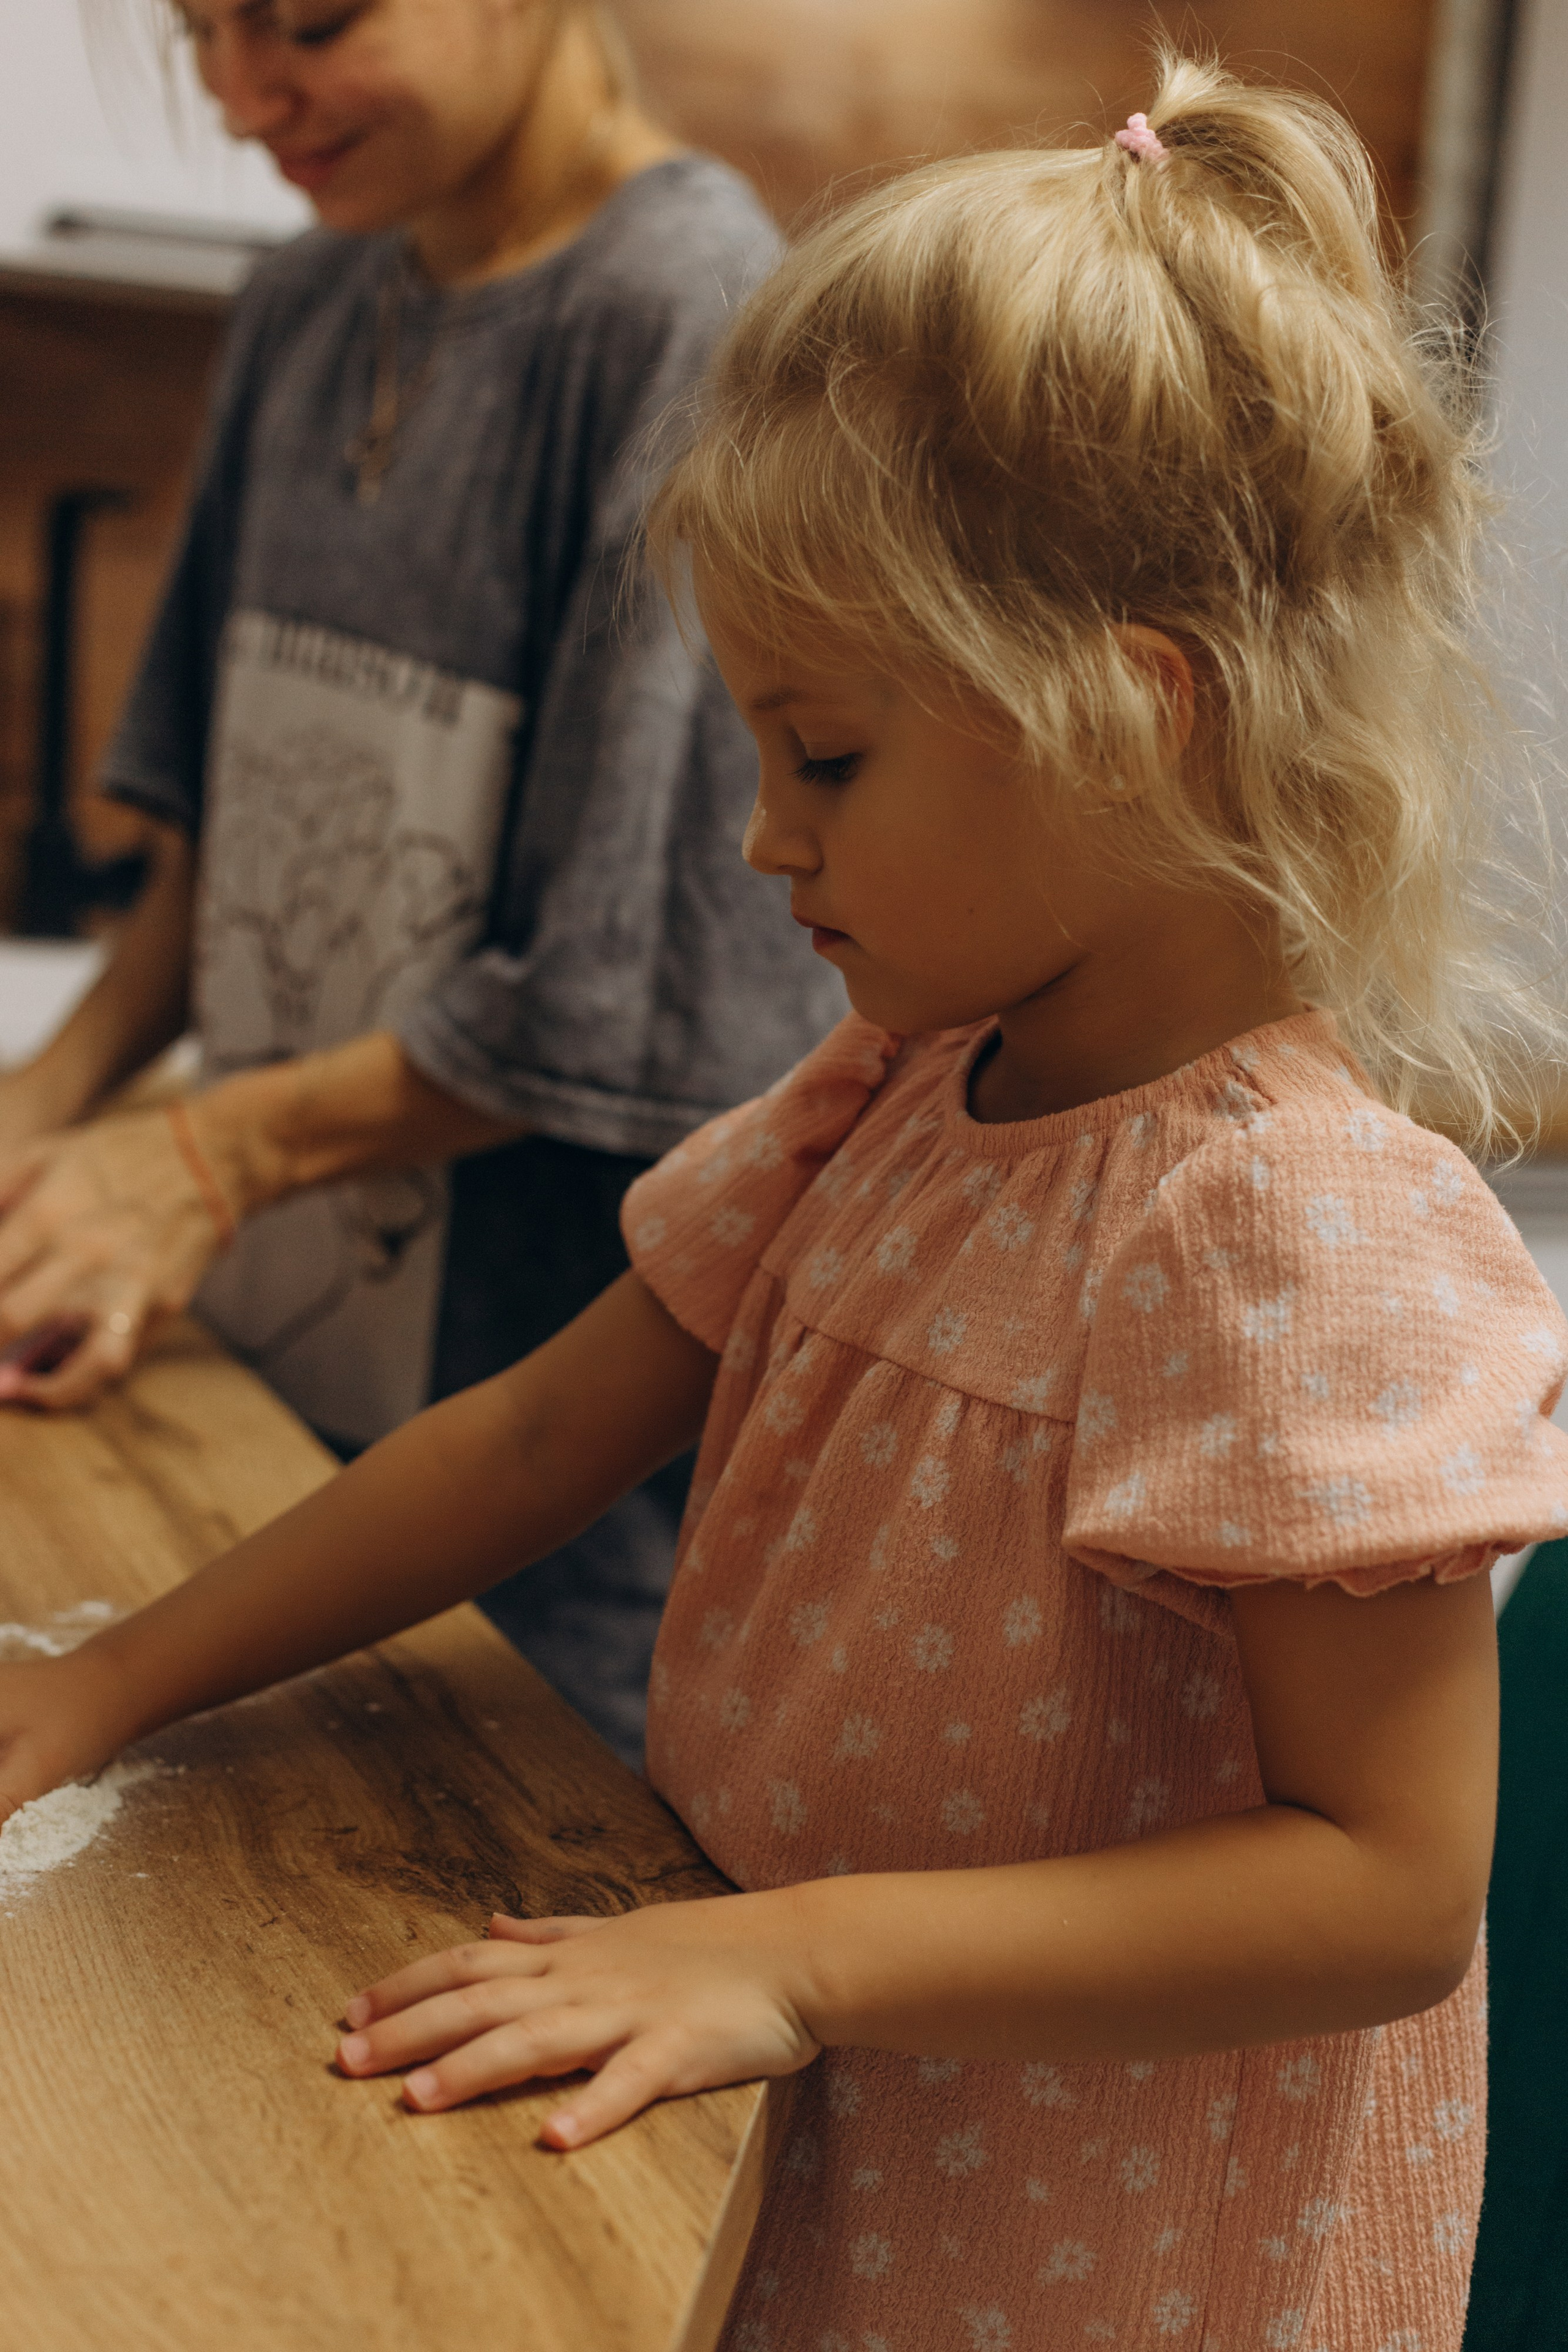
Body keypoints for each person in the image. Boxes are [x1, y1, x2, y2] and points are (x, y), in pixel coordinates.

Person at [2, 51, 1563, 2350]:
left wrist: (792, 1955)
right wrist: (106, 1682)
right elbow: (539, 1438)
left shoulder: (1292, 1236)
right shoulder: (895, 1084)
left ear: (1137, 713)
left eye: (824, 753)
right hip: (830, 2106)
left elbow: (1386, 1893)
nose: (764, 838)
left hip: (1108, 2250)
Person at [0, 0, 842, 1765]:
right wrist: (51, 1102)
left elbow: (616, 996)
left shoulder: (686, 316)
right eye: (200, 31)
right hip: (287, 1377)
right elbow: (227, 842)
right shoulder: (316, 291)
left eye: (308, 20)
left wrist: (204, 1154)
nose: (239, 101)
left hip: (530, 1512)